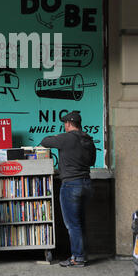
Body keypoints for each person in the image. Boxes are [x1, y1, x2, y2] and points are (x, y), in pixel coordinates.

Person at [41, 110, 94, 267]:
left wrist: (61, 140)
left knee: (73, 224)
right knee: (80, 222)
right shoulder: (88, 139)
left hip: (71, 185)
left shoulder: (66, 138)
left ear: (69, 124)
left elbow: (45, 141)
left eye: (65, 123)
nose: (64, 125)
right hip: (87, 184)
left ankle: (77, 258)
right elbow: (91, 161)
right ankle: (81, 255)